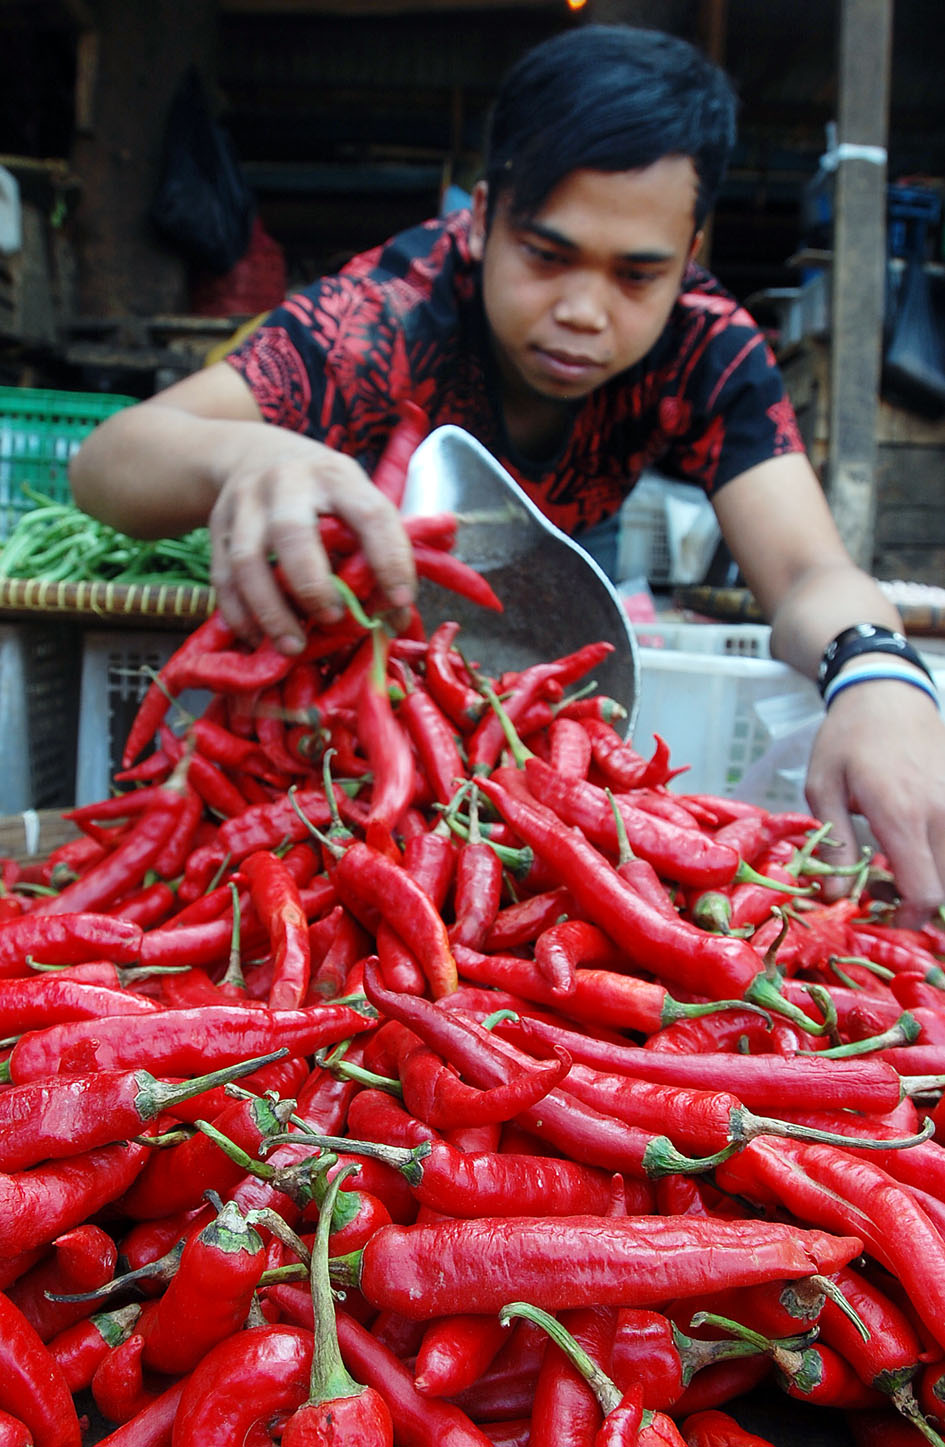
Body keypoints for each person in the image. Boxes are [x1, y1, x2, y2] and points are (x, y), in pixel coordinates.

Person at [70, 23, 945, 925]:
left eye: (636, 275)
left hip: (560, 577)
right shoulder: (386, 316)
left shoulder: (704, 347)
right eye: (545, 254)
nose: (581, 311)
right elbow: (110, 462)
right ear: (483, 218)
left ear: (689, 254)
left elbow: (804, 569)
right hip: (364, 652)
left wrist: (876, 672)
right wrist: (247, 453)